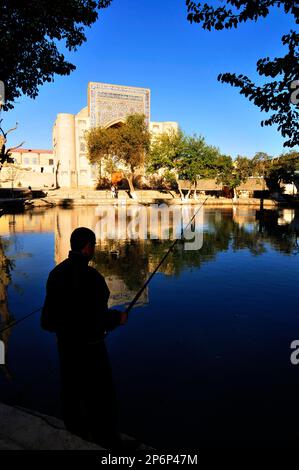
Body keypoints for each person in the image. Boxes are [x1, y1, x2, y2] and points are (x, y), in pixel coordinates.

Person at [41, 227, 128, 449]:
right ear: (88, 247)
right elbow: (98, 319)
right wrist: (118, 318)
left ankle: (76, 435)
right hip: (91, 349)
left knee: (71, 393)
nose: (95, 249)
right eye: (94, 245)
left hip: (66, 348)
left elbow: (47, 321)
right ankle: (108, 442)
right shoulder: (93, 279)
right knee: (101, 397)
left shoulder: (55, 274)